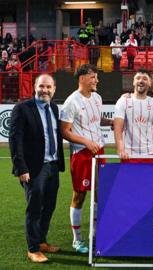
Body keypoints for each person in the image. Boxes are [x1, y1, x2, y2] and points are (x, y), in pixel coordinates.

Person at [9, 74, 65, 263]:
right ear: (35, 87)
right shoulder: (22, 109)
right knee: (34, 209)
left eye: (49, 87)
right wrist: (21, 168)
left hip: (53, 166)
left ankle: (41, 241)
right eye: (41, 86)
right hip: (33, 169)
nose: (45, 90)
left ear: (54, 89)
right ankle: (33, 249)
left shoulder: (54, 108)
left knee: (48, 207)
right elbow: (15, 141)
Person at [60, 64, 112, 254]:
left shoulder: (97, 98)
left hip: (99, 150)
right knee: (80, 195)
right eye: (93, 77)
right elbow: (65, 131)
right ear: (82, 78)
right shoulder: (71, 102)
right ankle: (77, 239)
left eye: (96, 77)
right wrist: (86, 141)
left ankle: (96, 235)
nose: (96, 80)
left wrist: (111, 122)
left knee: (100, 193)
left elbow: (95, 119)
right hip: (82, 153)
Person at [113, 71, 153, 163]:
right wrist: (120, 149)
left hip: (150, 153)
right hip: (128, 154)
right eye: (138, 78)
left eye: (145, 79)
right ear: (133, 82)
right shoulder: (123, 101)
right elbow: (118, 128)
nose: (141, 81)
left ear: (150, 83)